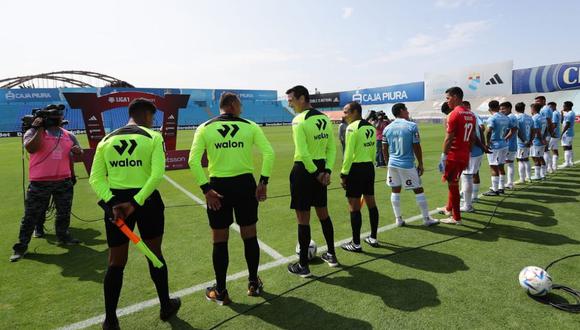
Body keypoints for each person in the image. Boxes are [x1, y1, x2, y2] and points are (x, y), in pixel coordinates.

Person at [89, 99, 180, 329]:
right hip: (146, 203)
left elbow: (95, 179)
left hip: (116, 206)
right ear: (148, 116)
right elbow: (158, 174)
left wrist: (112, 203)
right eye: (153, 117)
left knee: (115, 262)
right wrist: (136, 202)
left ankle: (110, 320)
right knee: (154, 254)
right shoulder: (153, 137)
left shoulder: (106, 140)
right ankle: (165, 306)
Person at [188, 93, 275, 304]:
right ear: (233, 105)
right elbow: (269, 153)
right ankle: (253, 283)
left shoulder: (205, 127)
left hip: (218, 187)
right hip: (246, 186)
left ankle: (220, 291)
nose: (242, 107)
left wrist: (205, 188)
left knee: (219, 240)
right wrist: (262, 182)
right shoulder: (250, 126)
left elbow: (193, 161)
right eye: (241, 104)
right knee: (250, 235)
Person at [10, 105, 82, 262]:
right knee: (31, 216)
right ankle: (21, 246)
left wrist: (77, 151)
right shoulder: (33, 132)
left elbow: (79, 153)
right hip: (40, 182)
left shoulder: (68, 135)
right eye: (53, 117)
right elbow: (31, 148)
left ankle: (63, 236)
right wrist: (39, 128)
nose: (56, 119)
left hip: (63, 180)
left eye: (58, 116)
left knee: (64, 212)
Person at [286, 85, 338, 277]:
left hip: (304, 171)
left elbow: (303, 152)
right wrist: (327, 171)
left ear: (302, 98)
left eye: (291, 99)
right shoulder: (324, 118)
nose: (289, 103)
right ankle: (331, 254)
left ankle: (303, 266)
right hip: (321, 170)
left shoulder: (298, 120)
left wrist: (316, 173)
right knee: (323, 214)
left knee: (303, 219)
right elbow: (331, 149)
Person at [383, 103, 439, 227]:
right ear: (402, 111)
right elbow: (416, 146)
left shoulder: (387, 128)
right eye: (406, 110)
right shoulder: (411, 126)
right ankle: (426, 218)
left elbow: (384, 148)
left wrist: (387, 163)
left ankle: (398, 219)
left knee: (395, 189)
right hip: (406, 164)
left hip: (392, 164)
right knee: (418, 189)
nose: (408, 112)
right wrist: (421, 163)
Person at [339, 102, 380, 252]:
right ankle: (373, 237)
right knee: (371, 203)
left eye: (346, 112)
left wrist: (344, 174)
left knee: (354, 206)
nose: (344, 115)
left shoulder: (352, 128)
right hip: (369, 167)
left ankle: (356, 244)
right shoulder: (370, 127)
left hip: (356, 169)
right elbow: (373, 150)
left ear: (355, 112)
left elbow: (348, 154)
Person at [437, 87, 475, 225]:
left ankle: (456, 217)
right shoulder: (470, 114)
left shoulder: (454, 114)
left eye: (448, 98)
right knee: (454, 182)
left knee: (452, 184)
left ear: (455, 96)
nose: (447, 101)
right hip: (464, 154)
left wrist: (444, 155)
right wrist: (468, 152)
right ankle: (449, 208)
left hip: (454, 155)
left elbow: (448, 138)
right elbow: (472, 137)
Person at [460, 100, 488, 212]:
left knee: (466, 176)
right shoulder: (475, 115)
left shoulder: (466, 116)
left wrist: (481, 145)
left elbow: (473, 134)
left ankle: (467, 205)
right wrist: (483, 146)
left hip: (472, 151)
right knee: (473, 174)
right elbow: (481, 129)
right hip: (478, 151)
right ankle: (473, 197)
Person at [482, 101, 510, 196]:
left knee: (493, 166)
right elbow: (509, 129)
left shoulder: (492, 118)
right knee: (501, 166)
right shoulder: (505, 117)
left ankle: (495, 189)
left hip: (495, 145)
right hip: (504, 144)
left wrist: (487, 142)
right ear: (498, 107)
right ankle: (501, 187)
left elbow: (489, 130)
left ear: (489, 109)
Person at [514, 102, 534, 183]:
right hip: (528, 142)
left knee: (520, 160)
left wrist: (524, 141)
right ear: (524, 108)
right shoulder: (529, 118)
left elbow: (518, 132)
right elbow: (533, 130)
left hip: (521, 143)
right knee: (526, 159)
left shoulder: (517, 118)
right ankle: (529, 177)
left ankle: (522, 179)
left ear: (515, 109)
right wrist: (530, 141)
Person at [501, 102, 518, 190]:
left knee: (504, 164)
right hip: (512, 144)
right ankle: (509, 183)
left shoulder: (510, 117)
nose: (501, 111)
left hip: (508, 144)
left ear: (509, 108)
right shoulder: (513, 117)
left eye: (503, 109)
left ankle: (504, 184)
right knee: (510, 164)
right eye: (501, 109)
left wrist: (504, 139)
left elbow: (513, 130)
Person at [536, 96, 555, 173]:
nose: (536, 103)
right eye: (536, 101)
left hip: (545, 133)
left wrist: (550, 133)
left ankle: (548, 167)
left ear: (544, 101)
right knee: (544, 150)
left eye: (538, 101)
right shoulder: (545, 109)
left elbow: (549, 122)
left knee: (545, 150)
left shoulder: (545, 109)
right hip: (545, 132)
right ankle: (548, 167)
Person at [530, 103, 548, 180]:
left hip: (537, 141)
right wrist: (544, 138)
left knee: (535, 158)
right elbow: (546, 129)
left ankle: (538, 175)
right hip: (542, 140)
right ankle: (543, 174)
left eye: (531, 108)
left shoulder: (535, 118)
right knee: (540, 157)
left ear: (533, 109)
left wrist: (541, 139)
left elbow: (537, 130)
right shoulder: (543, 118)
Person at [561, 101, 575, 167]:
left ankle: (567, 163)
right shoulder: (570, 113)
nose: (563, 107)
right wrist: (562, 114)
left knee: (566, 148)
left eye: (564, 106)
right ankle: (571, 162)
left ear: (568, 107)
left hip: (567, 133)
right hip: (570, 133)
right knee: (569, 148)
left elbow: (567, 124)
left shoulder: (569, 114)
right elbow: (562, 121)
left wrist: (562, 133)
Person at [548, 102, 561, 171]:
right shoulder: (557, 113)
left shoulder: (554, 113)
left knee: (547, 150)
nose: (549, 108)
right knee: (554, 150)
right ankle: (554, 166)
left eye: (550, 107)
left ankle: (549, 167)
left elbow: (554, 124)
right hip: (557, 134)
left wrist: (551, 133)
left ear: (554, 106)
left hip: (554, 135)